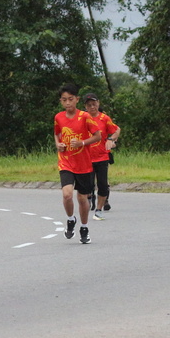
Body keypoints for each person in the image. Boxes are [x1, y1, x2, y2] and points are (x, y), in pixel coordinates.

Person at [53, 84, 101, 244]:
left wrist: (82, 143)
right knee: (67, 194)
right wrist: (58, 144)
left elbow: (97, 136)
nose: (68, 103)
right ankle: (70, 219)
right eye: (64, 100)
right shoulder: (59, 117)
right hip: (66, 162)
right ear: (61, 101)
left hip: (83, 164)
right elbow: (57, 133)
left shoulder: (85, 117)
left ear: (77, 99)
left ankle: (84, 228)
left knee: (82, 198)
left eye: (71, 99)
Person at [82, 93, 121, 220]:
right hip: (86, 157)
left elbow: (116, 130)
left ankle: (99, 209)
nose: (92, 107)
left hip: (102, 157)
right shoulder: (82, 119)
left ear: (98, 103)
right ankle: (89, 198)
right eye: (89, 105)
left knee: (103, 185)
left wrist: (110, 139)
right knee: (87, 184)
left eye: (94, 104)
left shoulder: (104, 118)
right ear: (85, 106)